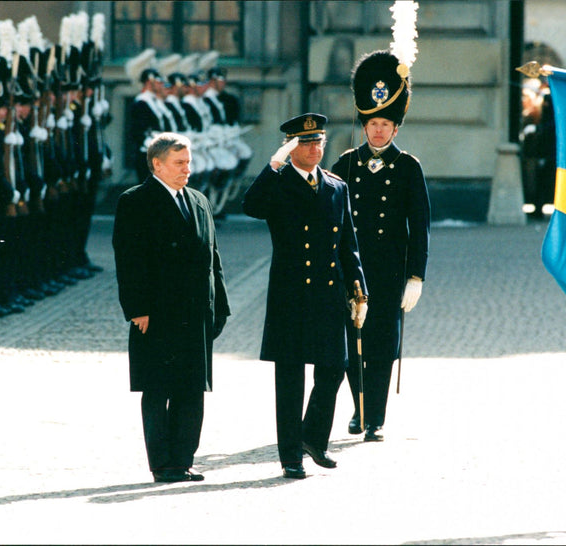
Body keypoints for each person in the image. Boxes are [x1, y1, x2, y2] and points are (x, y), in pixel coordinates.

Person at [243, 113, 368, 479]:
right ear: (293, 147)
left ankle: (313, 438)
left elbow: (348, 243)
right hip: (291, 295)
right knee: (291, 379)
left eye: (319, 143)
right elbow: (250, 206)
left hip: (329, 294)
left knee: (334, 368)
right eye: (307, 143)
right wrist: (273, 164)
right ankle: (290, 455)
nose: (315, 149)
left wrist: (359, 288)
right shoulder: (278, 183)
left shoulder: (335, 186)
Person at [113, 132, 230, 483]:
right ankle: (162, 464)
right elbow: (128, 260)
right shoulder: (135, 201)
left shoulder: (198, 200)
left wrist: (219, 306)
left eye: (189, 162)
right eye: (179, 163)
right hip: (158, 313)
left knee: (192, 389)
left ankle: (184, 459)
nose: (187, 170)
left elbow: (213, 258)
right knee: (159, 387)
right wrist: (137, 308)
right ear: (157, 164)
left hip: (196, 313)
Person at [330, 50, 430, 442]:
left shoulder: (409, 167)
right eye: (373, 123)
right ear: (365, 124)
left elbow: (419, 225)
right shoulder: (344, 164)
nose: (378, 131)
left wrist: (416, 276)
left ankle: (376, 418)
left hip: (390, 272)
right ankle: (359, 407)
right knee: (353, 341)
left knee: (383, 344)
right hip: (353, 270)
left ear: (395, 128)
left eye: (385, 124)